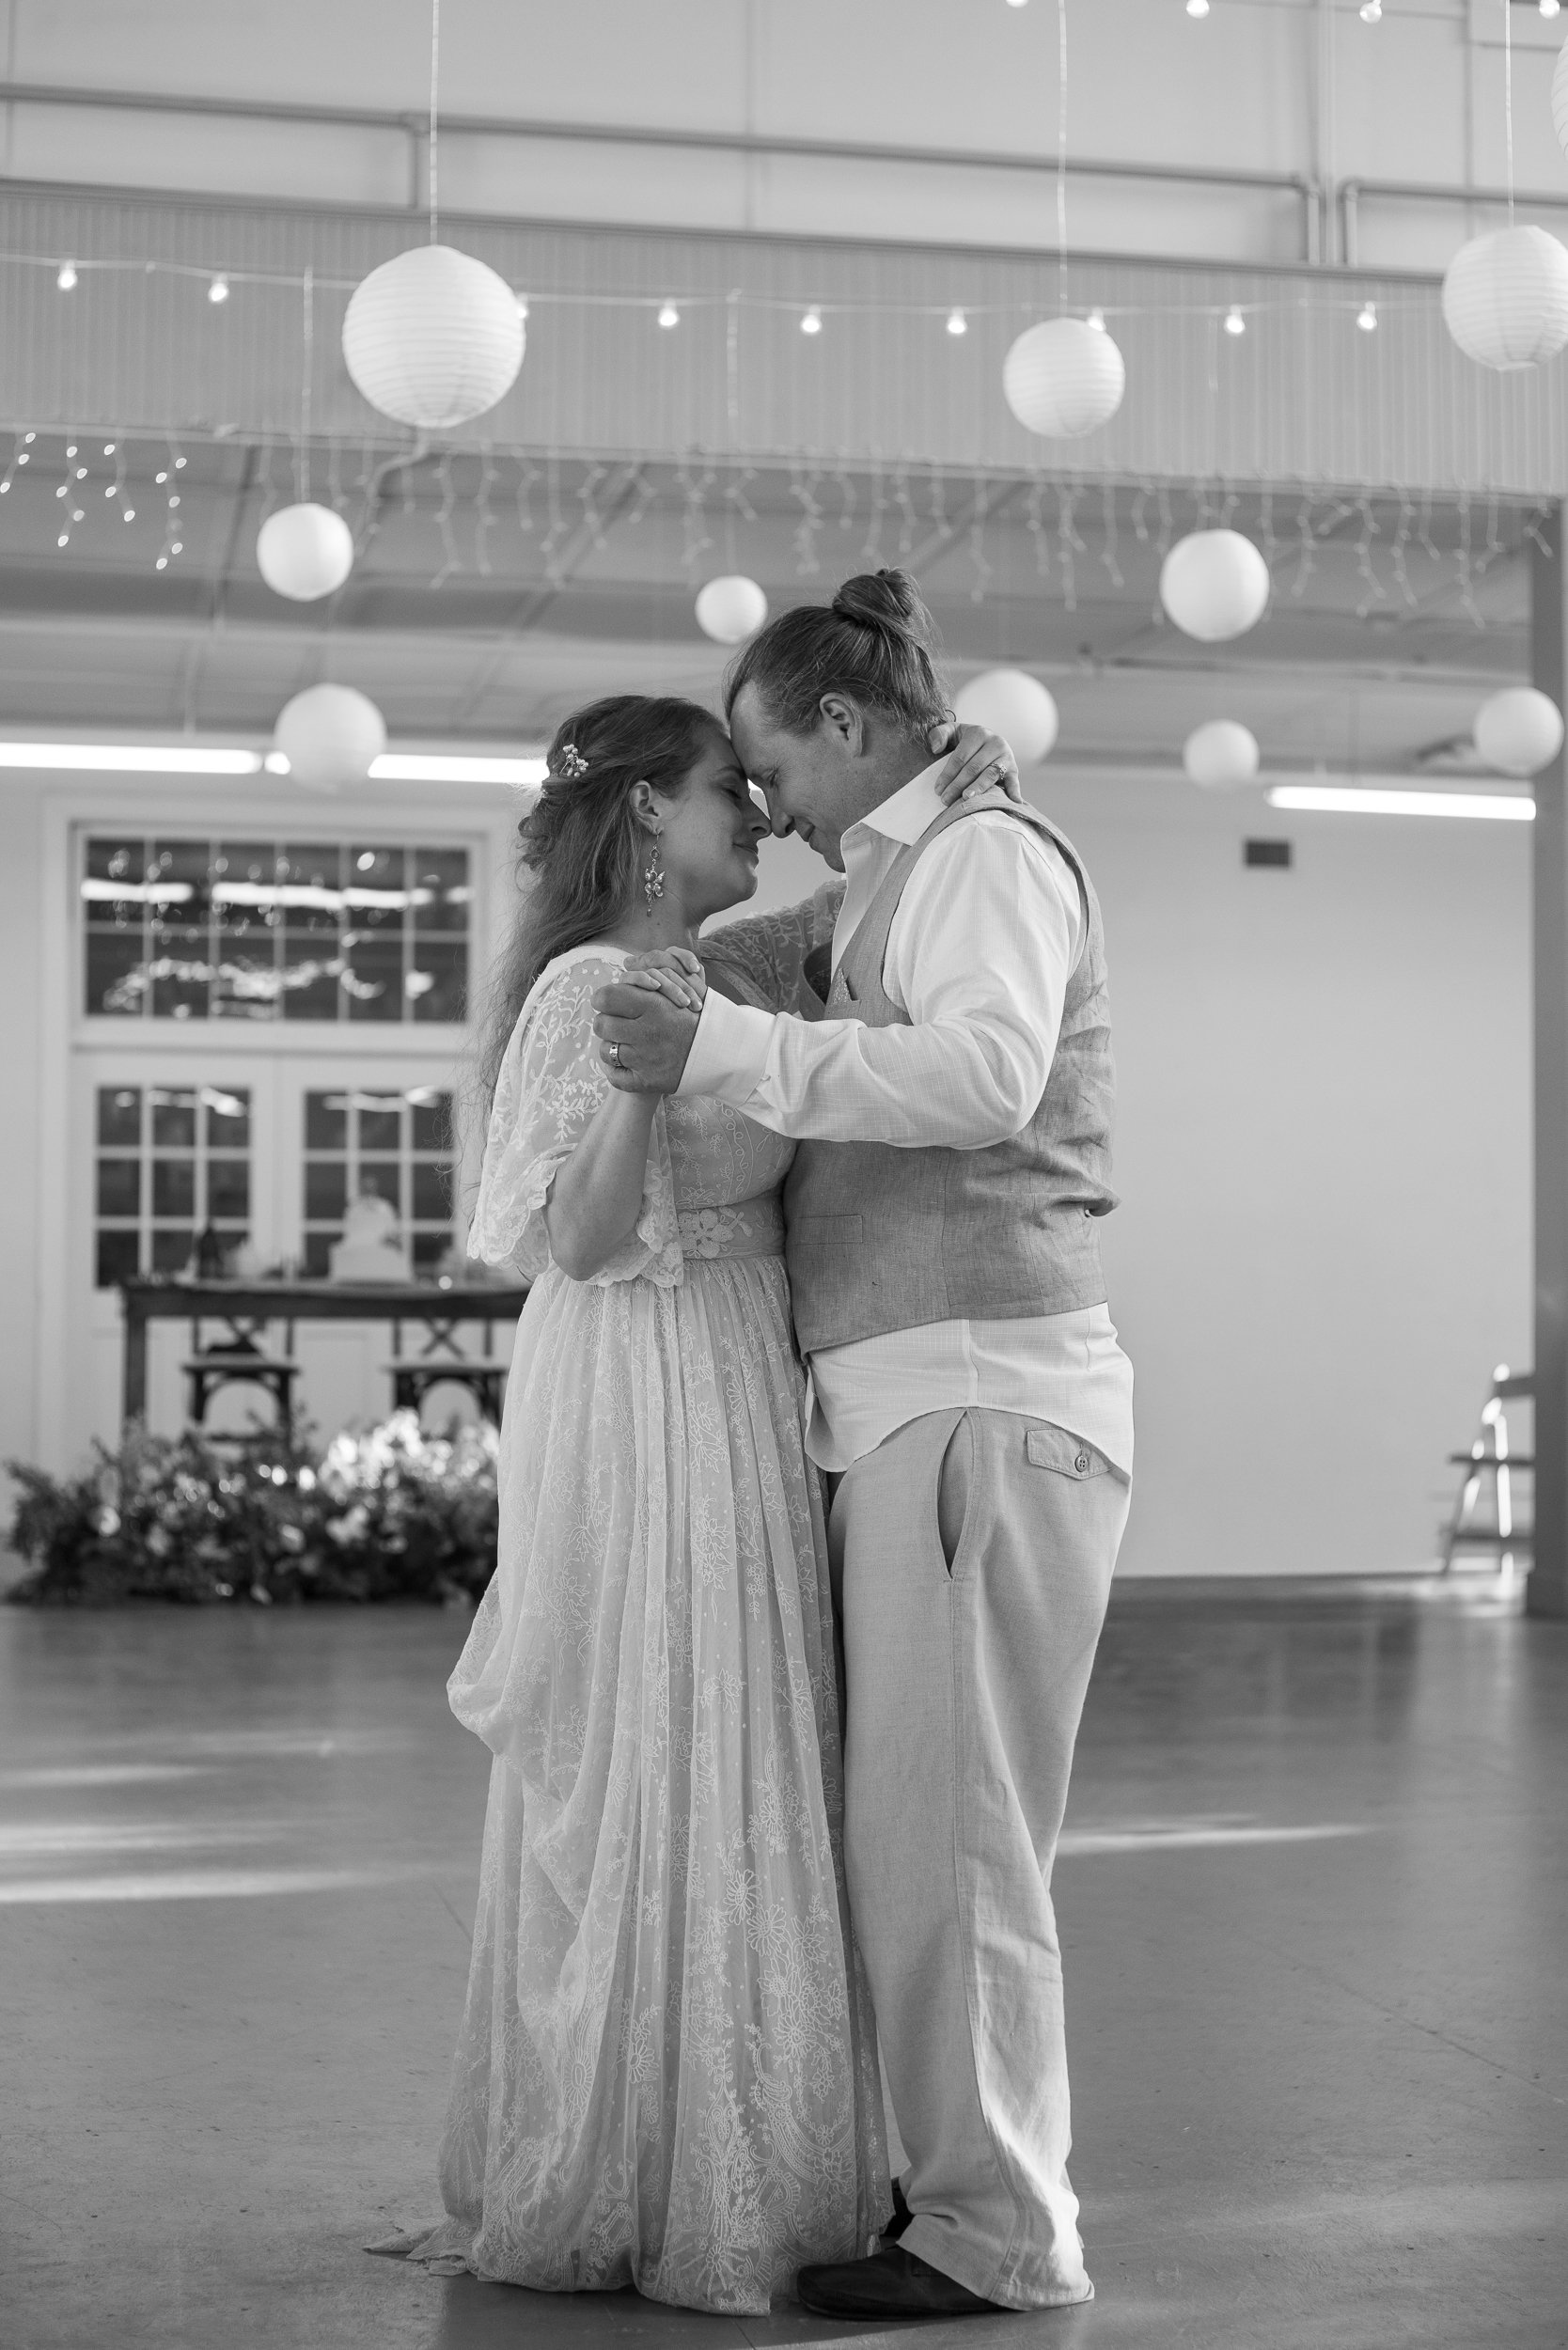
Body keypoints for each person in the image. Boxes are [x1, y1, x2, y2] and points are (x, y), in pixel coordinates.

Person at [369, 691, 1017, 2316]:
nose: (765, 814)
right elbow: (580, 1242)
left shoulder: (729, 967)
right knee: (663, 1732)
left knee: (744, 1743)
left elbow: (858, 900)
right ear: (651, 811)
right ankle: (636, 2164)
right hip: (641, 1373)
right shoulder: (587, 988)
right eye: (737, 786)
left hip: (738, 1372)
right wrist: (644, 1089)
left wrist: (949, 789)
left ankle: (748, 2152)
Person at [591, 571, 1136, 2321]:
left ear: (845, 723)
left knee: (953, 1849)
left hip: (975, 1389)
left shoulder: (984, 858)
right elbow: (791, 968)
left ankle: (995, 2233)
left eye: (774, 772)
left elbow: (982, 1078)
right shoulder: (908, 868)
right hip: (925, 1399)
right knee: (922, 1839)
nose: (769, 813)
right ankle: (963, 2193)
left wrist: (729, 1046)